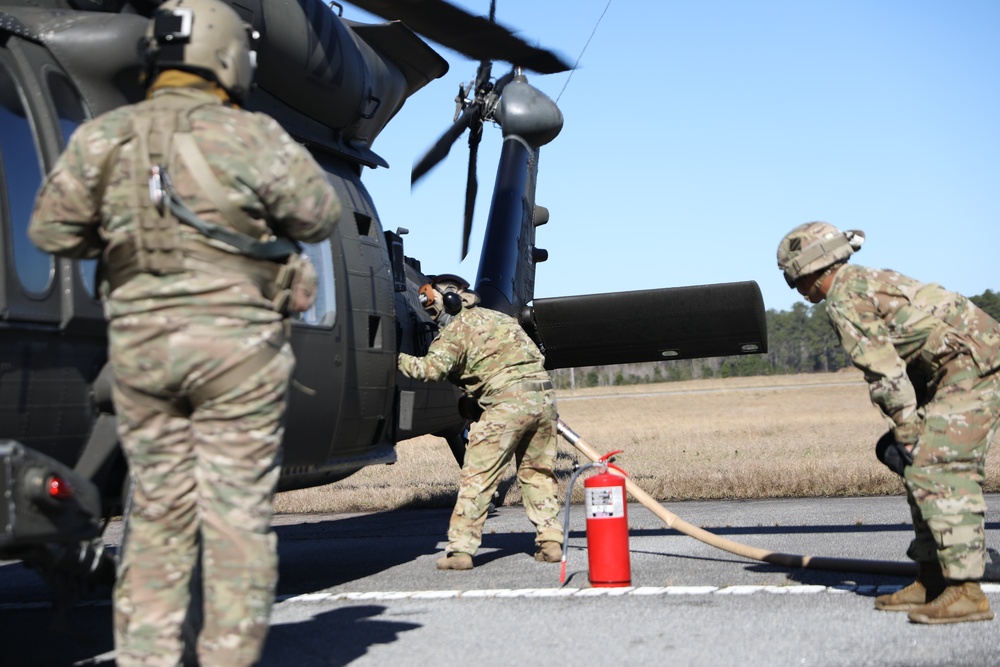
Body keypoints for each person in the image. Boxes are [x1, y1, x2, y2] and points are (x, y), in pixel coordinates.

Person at [28, 0, 341, 663]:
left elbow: (49, 232)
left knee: (159, 519)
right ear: (228, 56)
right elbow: (319, 214)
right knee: (234, 519)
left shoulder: (105, 138)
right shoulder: (252, 136)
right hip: (236, 359)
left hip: (141, 357)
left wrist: (120, 236)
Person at [777, 222, 1000, 625]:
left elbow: (883, 370)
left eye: (792, 276)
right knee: (917, 466)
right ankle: (932, 579)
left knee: (937, 468)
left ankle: (967, 591)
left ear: (808, 268)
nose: (794, 286)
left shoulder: (844, 297)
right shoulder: (862, 280)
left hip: (973, 368)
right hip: (957, 368)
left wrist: (909, 428)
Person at [398, 275, 564, 570]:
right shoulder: (498, 319)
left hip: (506, 404)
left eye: (431, 304)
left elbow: (430, 370)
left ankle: (460, 551)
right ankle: (550, 542)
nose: (431, 312)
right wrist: (478, 400)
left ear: (445, 300)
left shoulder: (455, 331)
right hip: (543, 399)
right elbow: (527, 359)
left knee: (478, 477)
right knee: (538, 473)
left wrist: (391, 358)